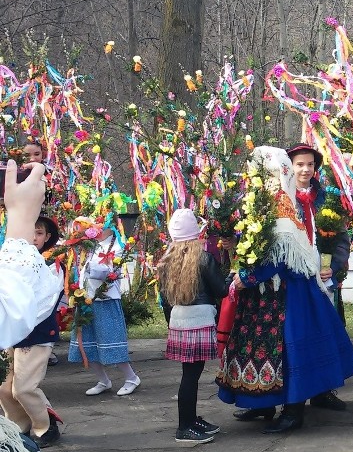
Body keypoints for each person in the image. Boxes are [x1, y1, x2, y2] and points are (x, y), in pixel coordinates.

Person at [217, 147, 353, 434]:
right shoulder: (264, 202)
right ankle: (263, 402)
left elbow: (281, 256)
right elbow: (258, 244)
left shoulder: (282, 204)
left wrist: (251, 276)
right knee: (263, 348)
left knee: (289, 349)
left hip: (290, 291)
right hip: (264, 292)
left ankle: (293, 409)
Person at [286, 143, 350, 412]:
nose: (305, 169)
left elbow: (341, 239)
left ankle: (324, 390)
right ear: (289, 166)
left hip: (322, 277)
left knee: (325, 332)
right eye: (299, 164)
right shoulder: (282, 198)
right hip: (294, 279)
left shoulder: (326, 199)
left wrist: (334, 268)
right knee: (300, 336)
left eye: (310, 165)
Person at [0, 161, 57, 452]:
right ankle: (17, 427)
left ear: (47, 238)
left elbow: (33, 308)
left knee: (24, 387)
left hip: (34, 336)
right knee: (5, 389)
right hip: (15, 335)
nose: (33, 237)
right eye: (30, 231)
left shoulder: (49, 266)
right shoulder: (14, 261)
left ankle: (45, 427)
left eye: (39, 233)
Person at [158, 209, 228, 444]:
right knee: (190, 377)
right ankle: (184, 427)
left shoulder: (167, 260)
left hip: (179, 319)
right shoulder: (204, 258)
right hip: (199, 319)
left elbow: (164, 297)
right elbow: (222, 290)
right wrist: (231, 277)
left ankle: (191, 419)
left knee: (190, 375)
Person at [67, 217, 141, 397]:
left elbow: (109, 272)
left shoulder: (118, 246)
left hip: (105, 300)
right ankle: (103, 380)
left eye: (100, 226)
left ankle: (131, 377)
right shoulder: (89, 246)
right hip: (85, 299)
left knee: (110, 340)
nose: (95, 230)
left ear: (111, 227)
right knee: (86, 342)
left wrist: (90, 265)